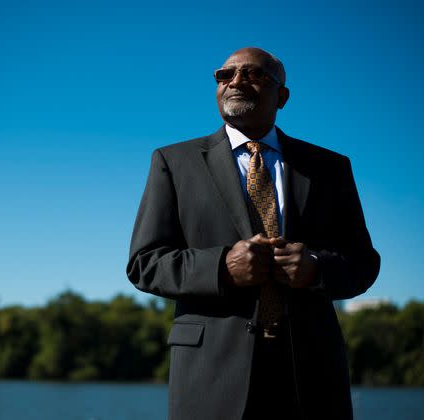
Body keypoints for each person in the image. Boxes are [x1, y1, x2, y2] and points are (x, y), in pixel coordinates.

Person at [126, 47, 380, 420]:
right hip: (210, 375)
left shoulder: (330, 168)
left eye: (253, 74)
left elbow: (363, 262)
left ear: (282, 96)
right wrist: (221, 267)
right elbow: (144, 263)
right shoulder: (173, 162)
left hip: (310, 376)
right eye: (225, 75)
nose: (236, 82)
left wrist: (315, 269)